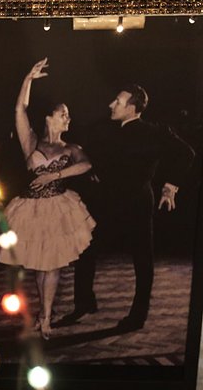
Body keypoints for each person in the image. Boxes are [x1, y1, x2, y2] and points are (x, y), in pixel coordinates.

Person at [63, 82, 194, 331]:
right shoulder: (105, 129)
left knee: (142, 259)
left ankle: (138, 316)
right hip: (106, 201)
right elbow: (94, 158)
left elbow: (187, 154)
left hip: (137, 203)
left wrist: (170, 187)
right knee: (85, 247)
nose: (111, 105)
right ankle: (84, 303)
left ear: (132, 108)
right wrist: (93, 173)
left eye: (118, 102)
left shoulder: (156, 132)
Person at [0, 59, 95, 339]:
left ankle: (46, 317)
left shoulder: (71, 147)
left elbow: (86, 165)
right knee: (42, 265)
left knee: (52, 266)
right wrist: (28, 78)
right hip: (30, 209)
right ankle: (43, 313)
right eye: (64, 114)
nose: (68, 119)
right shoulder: (31, 142)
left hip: (59, 207)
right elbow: (19, 109)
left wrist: (54, 175)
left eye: (68, 115)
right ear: (49, 118)